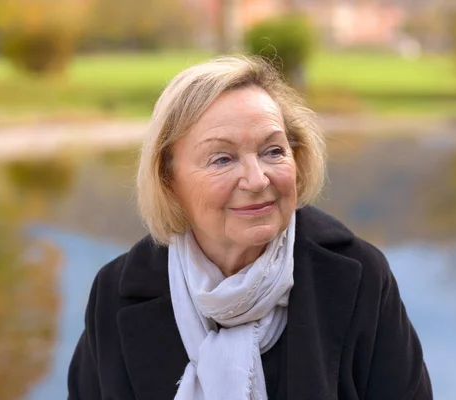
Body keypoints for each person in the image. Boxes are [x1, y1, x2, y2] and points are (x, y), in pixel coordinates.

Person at [67, 56, 433, 400]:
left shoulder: (358, 276)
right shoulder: (115, 294)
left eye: (273, 151)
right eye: (222, 159)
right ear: (168, 179)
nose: (257, 180)